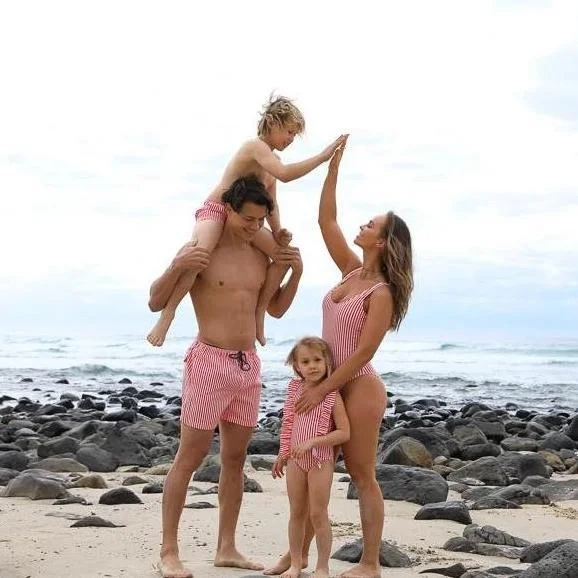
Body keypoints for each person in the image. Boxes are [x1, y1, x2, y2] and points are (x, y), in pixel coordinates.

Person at [265, 142, 414, 578]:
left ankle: (370, 563)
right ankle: (296, 557)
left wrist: (322, 389)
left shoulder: (381, 291)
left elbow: (364, 352)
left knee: (362, 475)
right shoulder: (351, 271)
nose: (362, 224)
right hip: (325, 385)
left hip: (358, 388)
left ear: (383, 241)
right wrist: (333, 168)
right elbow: (325, 220)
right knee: (309, 467)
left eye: (372, 224)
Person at [148, 176, 304, 578]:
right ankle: (169, 551)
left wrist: (295, 272)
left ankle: (227, 547)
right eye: (247, 220)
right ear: (229, 210)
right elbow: (154, 300)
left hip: (247, 364)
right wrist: (176, 265)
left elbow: (276, 310)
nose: (253, 228)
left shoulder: (260, 257)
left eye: (260, 222)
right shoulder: (205, 250)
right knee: (189, 458)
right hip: (208, 362)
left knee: (235, 460)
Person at [147, 94, 347, 347]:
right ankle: (169, 313)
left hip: (246, 216)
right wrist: (323, 157)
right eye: (288, 131)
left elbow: (271, 204)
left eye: (294, 135)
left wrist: (278, 230)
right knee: (200, 255)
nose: (290, 139)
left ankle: (259, 314)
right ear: (272, 123)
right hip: (217, 210)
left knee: (282, 255)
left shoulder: (272, 164)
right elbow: (285, 175)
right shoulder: (254, 147)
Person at [271, 337, 350, 578]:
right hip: (296, 460)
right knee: (296, 512)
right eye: (306, 361)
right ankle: (295, 563)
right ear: (297, 366)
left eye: (317, 360)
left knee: (317, 513)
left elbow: (344, 433)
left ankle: (322, 567)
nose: (312, 365)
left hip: (320, 461)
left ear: (327, 362)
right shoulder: (294, 389)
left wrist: (313, 442)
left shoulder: (331, 395)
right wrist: (283, 454)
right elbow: (288, 424)